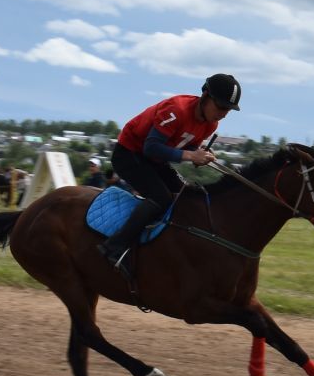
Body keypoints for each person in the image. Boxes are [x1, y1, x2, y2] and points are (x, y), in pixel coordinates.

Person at [97, 73, 240, 278]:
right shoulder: (176, 110)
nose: (224, 113)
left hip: (154, 161)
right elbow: (151, 148)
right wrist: (192, 155)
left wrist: (201, 154)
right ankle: (114, 247)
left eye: (228, 109)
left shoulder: (211, 124)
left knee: (187, 196)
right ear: (205, 96)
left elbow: (185, 144)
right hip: (129, 154)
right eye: (221, 106)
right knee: (161, 198)